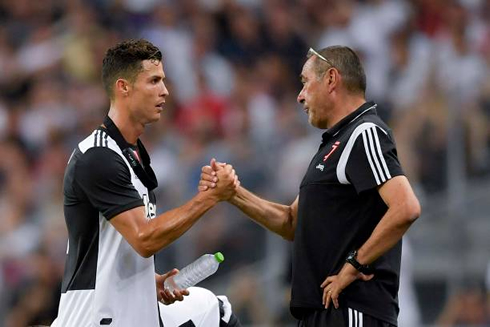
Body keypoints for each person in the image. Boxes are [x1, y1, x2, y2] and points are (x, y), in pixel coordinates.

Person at [200, 46, 421, 326]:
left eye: (305, 82)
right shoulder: (333, 146)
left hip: (351, 310)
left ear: (331, 79)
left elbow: (406, 207)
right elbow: (292, 222)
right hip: (322, 311)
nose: (300, 95)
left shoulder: (364, 132)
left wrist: (353, 265)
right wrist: (233, 194)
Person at [51, 39, 240, 327]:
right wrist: (209, 197)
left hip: (130, 311)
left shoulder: (132, 153)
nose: (165, 91)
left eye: (163, 80)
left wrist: (144, 280)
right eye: (154, 81)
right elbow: (144, 238)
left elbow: (112, 242)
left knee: (215, 311)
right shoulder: (98, 156)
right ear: (123, 87)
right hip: (98, 318)